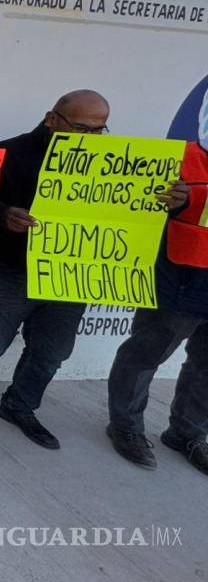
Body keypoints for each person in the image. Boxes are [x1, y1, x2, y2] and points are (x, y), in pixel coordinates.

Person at [0, 90, 185, 449]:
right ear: (52, 119)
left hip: (71, 278)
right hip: (12, 272)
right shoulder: (6, 153)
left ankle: (20, 406)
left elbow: (133, 215)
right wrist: (2, 215)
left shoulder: (118, 162)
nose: (91, 138)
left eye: (100, 130)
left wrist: (171, 203)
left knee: (52, 353)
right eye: (82, 128)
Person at [105, 93, 202, 474]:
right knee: (146, 353)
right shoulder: (174, 157)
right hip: (180, 275)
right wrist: (175, 203)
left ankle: (189, 433)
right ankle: (125, 427)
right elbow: (136, 209)